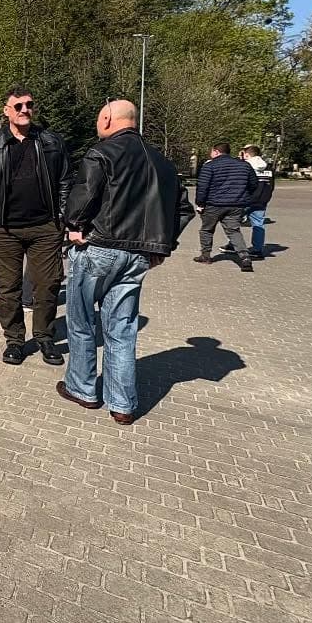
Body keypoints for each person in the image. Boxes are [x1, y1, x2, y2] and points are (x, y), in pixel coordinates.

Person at [59, 100, 194, 424]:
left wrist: (74, 226)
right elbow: (184, 210)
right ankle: (122, 404)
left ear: (107, 118)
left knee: (81, 322)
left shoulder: (102, 153)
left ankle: (83, 388)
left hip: (99, 247)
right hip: (138, 256)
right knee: (122, 328)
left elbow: (83, 197)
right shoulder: (163, 163)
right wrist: (161, 245)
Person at [0, 87, 73, 366]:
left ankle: (45, 337)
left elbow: (65, 181)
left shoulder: (51, 141)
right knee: (7, 287)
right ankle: (14, 340)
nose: (25, 110)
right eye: (18, 106)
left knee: (48, 285)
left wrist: (61, 218)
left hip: (45, 227)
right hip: (4, 230)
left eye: (29, 105)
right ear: (7, 111)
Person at [194, 142, 258, 272]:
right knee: (234, 231)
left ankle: (205, 256)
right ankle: (245, 257)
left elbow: (202, 187)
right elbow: (254, 184)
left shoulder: (209, 166)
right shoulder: (245, 166)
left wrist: (200, 203)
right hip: (236, 204)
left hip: (213, 204)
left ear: (216, 152)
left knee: (207, 229)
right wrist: (243, 196)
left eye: (211, 151)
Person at [239, 145, 274, 258]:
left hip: (246, 199)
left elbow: (243, 183)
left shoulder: (246, 166)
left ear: (247, 154)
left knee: (232, 223)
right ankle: (257, 249)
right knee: (259, 224)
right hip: (262, 199)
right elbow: (271, 185)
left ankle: (234, 245)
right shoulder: (268, 167)